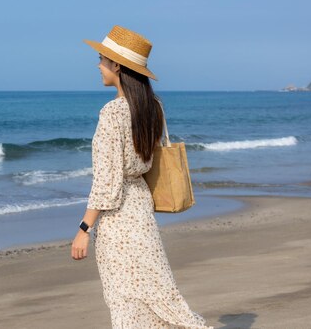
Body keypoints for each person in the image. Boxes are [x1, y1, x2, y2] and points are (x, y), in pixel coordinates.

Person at [71, 25, 213, 329]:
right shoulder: (154, 107)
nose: (98, 66)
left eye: (101, 59)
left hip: (119, 218)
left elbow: (107, 183)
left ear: (117, 65)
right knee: (160, 293)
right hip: (141, 207)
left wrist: (84, 227)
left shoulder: (112, 112)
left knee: (125, 300)